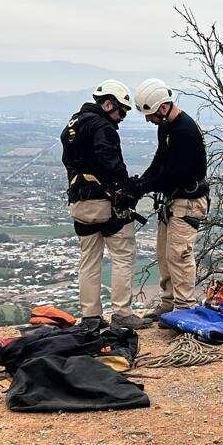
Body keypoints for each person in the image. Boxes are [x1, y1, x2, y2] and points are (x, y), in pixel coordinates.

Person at [59, 80, 148, 330]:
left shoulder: (72, 125)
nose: (121, 117)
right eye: (120, 111)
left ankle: (91, 316)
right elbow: (111, 162)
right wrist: (126, 188)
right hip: (103, 202)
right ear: (108, 103)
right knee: (122, 254)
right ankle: (121, 312)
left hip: (79, 202)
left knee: (89, 259)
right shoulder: (102, 127)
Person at [134, 78, 209, 320]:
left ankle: (184, 307)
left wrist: (143, 186)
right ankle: (169, 302)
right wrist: (141, 182)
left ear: (163, 107)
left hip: (188, 200)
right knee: (164, 254)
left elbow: (174, 174)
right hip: (173, 199)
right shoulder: (166, 127)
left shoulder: (185, 131)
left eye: (151, 114)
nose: (149, 119)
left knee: (179, 254)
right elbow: (160, 160)